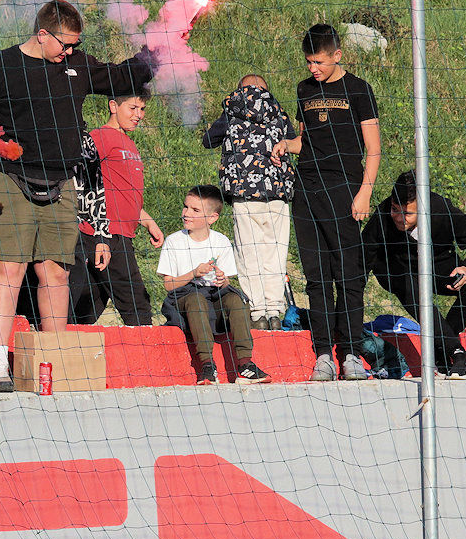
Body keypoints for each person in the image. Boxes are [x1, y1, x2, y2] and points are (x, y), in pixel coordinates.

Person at [0, 0, 154, 392]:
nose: (70, 51)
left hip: (62, 182)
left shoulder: (78, 65)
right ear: (42, 34)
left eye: (75, 45)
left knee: (56, 271)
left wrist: (162, 46)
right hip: (10, 177)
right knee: (9, 268)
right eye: (65, 44)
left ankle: (54, 358)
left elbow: (122, 76)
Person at [273, 24, 380, 382]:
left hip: (344, 188)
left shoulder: (359, 89)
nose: (313, 68)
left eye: (319, 61)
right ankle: (323, 355)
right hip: (307, 190)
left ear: (337, 55)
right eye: (308, 62)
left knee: (348, 274)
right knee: (316, 277)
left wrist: (364, 191)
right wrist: (286, 145)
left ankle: (350, 353)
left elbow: (374, 148)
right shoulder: (304, 89)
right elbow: (305, 140)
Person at [364, 171, 466, 379]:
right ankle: (458, 353)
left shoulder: (442, 210)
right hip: (398, 272)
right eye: (395, 210)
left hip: (439, 267)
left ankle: (440, 349)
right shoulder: (382, 216)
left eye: (408, 213)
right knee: (408, 285)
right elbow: (362, 258)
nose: (399, 218)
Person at [203, 75, 295, 330]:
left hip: (244, 194)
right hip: (277, 194)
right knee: (275, 253)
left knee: (248, 253)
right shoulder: (278, 112)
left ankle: (257, 313)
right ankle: (274, 311)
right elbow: (292, 139)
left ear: (239, 91)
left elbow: (208, 140)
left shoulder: (231, 112)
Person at [156, 185, 270, 386]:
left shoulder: (221, 241)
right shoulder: (174, 241)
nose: (186, 213)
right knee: (196, 299)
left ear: (212, 218)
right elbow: (168, 285)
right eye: (186, 207)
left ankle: (245, 364)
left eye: (195, 210)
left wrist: (222, 280)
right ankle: (207, 365)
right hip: (184, 298)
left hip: (213, 296)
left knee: (235, 299)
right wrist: (193, 274)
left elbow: (226, 282)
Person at [69, 89, 164, 326]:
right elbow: (82, 181)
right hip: (106, 232)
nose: (138, 115)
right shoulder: (99, 137)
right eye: (132, 108)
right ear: (113, 106)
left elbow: (123, 193)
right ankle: (147, 346)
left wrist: (148, 222)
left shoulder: (130, 143)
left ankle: (64, 337)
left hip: (124, 233)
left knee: (88, 305)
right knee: (137, 303)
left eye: (142, 109)